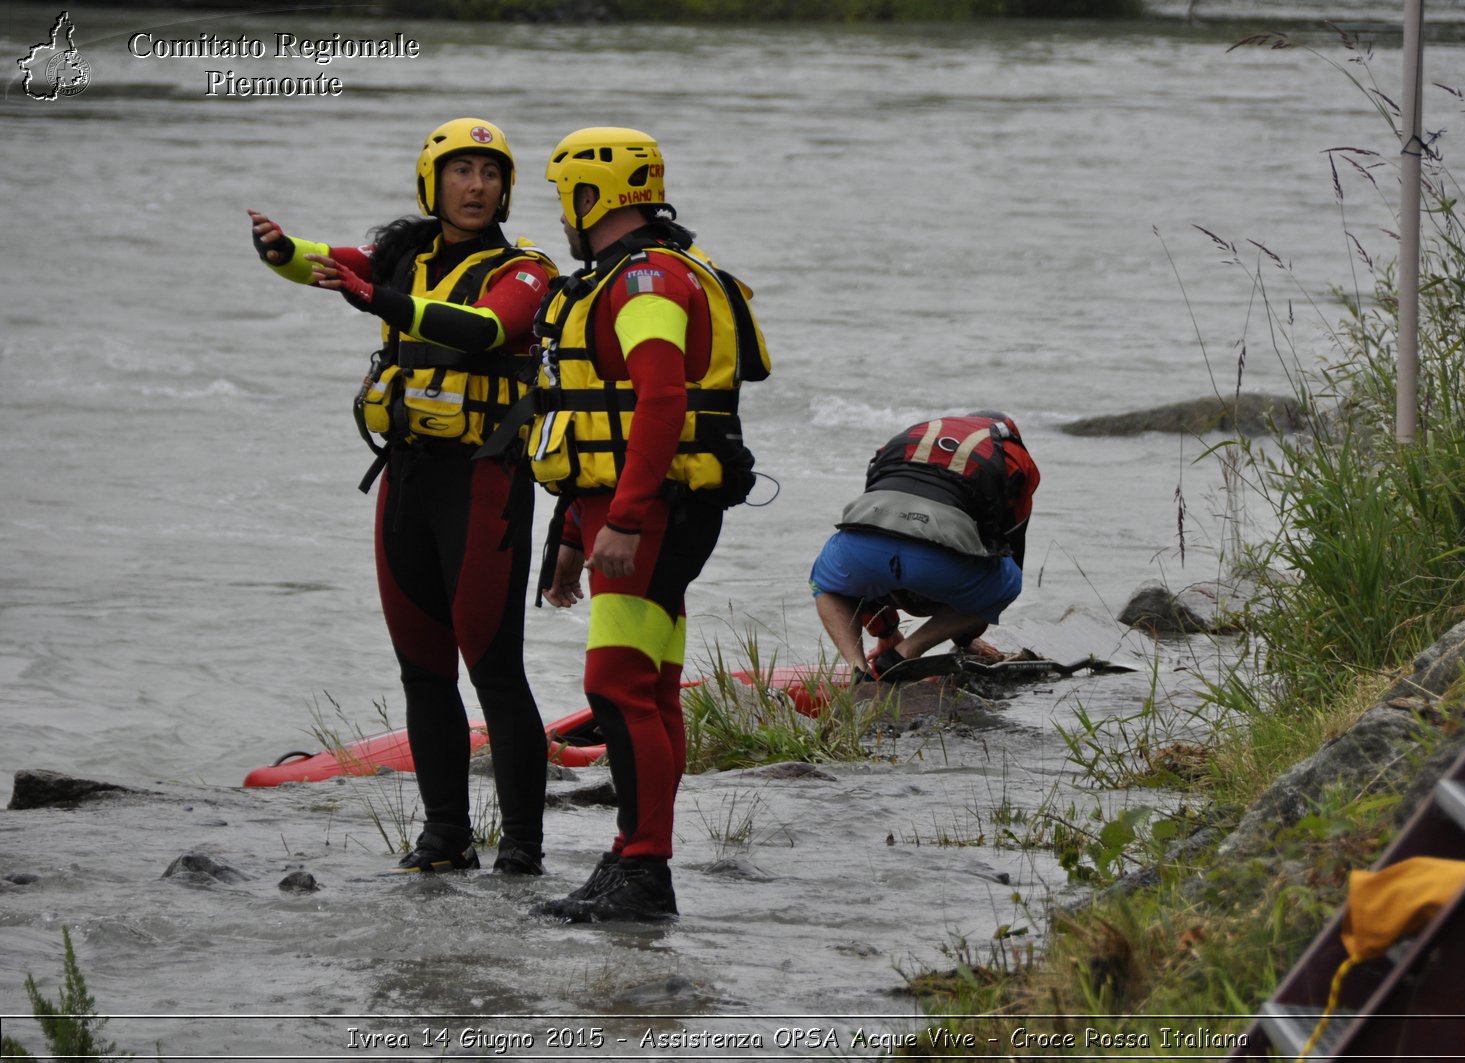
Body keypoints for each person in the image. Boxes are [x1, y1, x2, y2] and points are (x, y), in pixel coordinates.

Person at [246, 118, 560, 875]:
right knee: (423, 670)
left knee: (496, 670)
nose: (477, 185)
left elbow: (489, 331)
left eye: (490, 173)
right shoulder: (403, 255)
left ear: (506, 188)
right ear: (434, 182)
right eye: (462, 171)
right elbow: (324, 262)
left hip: (485, 480)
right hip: (407, 477)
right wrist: (285, 252)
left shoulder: (526, 270)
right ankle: (445, 837)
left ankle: (521, 846)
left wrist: (377, 299)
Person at [525, 126, 771, 921]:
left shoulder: (644, 285)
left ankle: (644, 869)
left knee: (617, 684)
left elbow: (659, 401)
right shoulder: (646, 273)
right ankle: (635, 853)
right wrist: (573, 532)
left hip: (652, 513)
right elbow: (607, 417)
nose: (562, 213)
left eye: (565, 196)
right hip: (643, 508)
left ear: (589, 197)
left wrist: (623, 520)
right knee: (651, 684)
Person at [810, 412, 1041, 681]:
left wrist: (885, 632)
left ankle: (857, 670)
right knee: (1007, 582)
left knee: (828, 585)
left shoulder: (915, 434)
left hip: (865, 548)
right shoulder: (1014, 456)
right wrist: (965, 639)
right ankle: (904, 653)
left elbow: (877, 526)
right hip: (935, 561)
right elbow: (1009, 548)